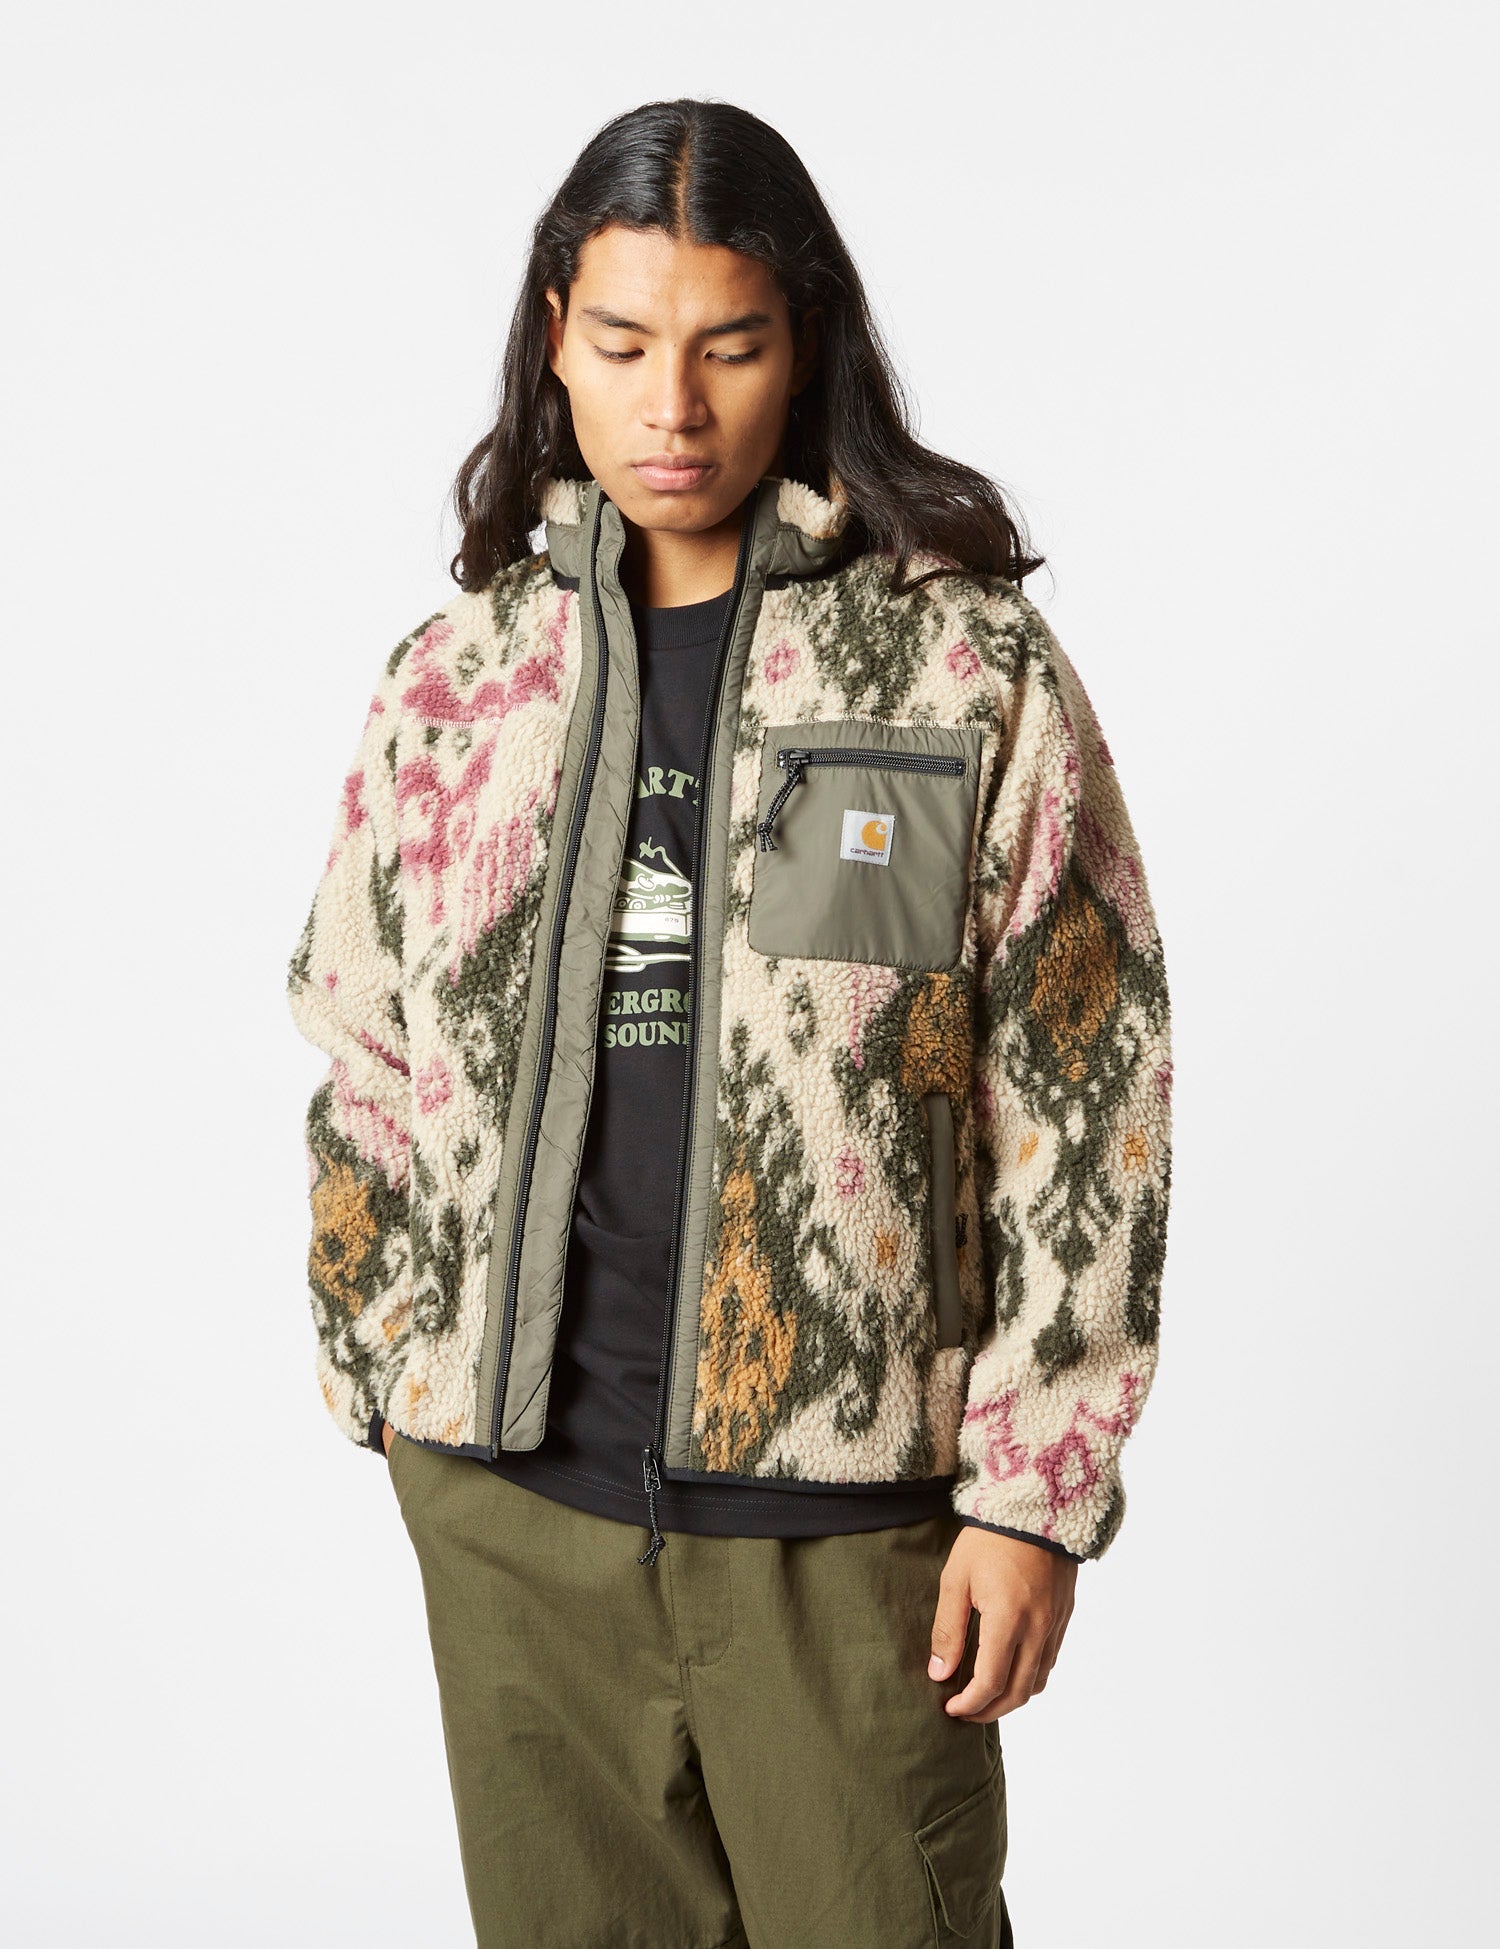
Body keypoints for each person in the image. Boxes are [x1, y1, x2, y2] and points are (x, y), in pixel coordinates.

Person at [286, 95, 1173, 1949]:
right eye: (623, 345)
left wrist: (1034, 1492)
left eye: (730, 345)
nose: (672, 407)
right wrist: (390, 1369)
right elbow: (364, 1042)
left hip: (845, 1530)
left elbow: (1086, 1087)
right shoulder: (459, 680)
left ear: (807, 337)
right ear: (556, 338)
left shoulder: (958, 670)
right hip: (514, 1516)